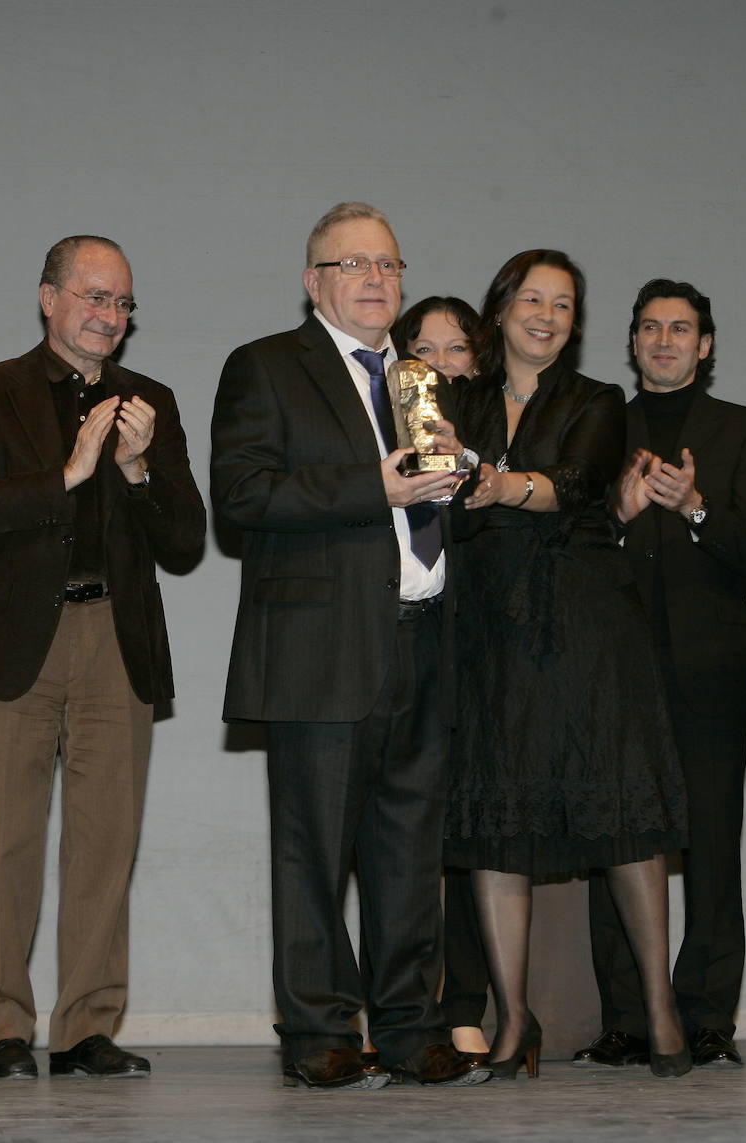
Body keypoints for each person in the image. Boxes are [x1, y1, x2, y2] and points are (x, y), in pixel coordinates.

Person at [212, 203, 488, 1090]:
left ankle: (410, 1032)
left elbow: (426, 501)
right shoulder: (265, 367)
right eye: (353, 263)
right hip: (320, 649)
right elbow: (245, 494)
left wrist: (459, 472)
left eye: (389, 264)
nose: (376, 278)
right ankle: (319, 1034)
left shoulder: (417, 379)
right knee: (314, 853)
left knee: (411, 853)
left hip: (423, 639)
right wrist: (374, 483)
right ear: (314, 281)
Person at [0, 236, 205, 1079]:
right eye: (93, 297)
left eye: (122, 303)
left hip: (114, 637)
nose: (108, 316)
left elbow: (187, 539)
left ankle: (86, 1026)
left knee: (104, 843)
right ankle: (0, 1028)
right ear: (47, 297)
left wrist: (131, 470)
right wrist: (70, 471)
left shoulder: (149, 401)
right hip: (16, 638)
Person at [445, 250, 691, 1079]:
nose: (547, 315)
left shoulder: (598, 399)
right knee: (495, 816)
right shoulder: (458, 401)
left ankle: (660, 1009)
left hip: (585, 622)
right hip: (488, 626)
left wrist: (499, 485)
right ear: (502, 306)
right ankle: (514, 1020)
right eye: (533, 299)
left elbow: (579, 482)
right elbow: (436, 490)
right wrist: (453, 474)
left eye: (564, 304)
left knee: (617, 800)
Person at [575, 280, 746, 1071]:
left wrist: (698, 509)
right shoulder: (602, 426)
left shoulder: (742, 431)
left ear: (705, 345)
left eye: (681, 328)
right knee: (617, 839)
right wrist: (616, 511)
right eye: (650, 327)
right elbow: (570, 542)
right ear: (634, 341)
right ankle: (624, 1017)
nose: (664, 339)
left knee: (712, 846)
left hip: (710, 673)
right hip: (617, 667)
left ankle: (708, 1016)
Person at [390, 296, 492, 1063]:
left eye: (456, 348)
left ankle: (464, 1002)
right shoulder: (382, 426)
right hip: (400, 643)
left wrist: (469, 465)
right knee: (397, 842)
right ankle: (394, 1006)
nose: (439, 362)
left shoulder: (486, 433)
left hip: (480, 651)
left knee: (460, 834)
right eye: (422, 347)